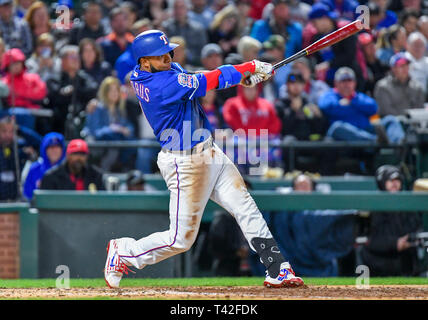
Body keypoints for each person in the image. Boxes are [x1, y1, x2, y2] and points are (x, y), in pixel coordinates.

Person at [104, 29, 304, 289]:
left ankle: (278, 268)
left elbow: (205, 82)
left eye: (168, 53)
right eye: (160, 56)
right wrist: (250, 66)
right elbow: (208, 79)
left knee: (245, 206)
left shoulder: (163, 71)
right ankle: (124, 252)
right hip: (184, 163)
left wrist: (244, 79)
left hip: (208, 151)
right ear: (144, 61)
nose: (167, 58)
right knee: (180, 240)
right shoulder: (160, 86)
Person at [361, 165, 424, 276]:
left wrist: (411, 240)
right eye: (390, 180)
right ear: (382, 182)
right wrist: (395, 243)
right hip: (378, 267)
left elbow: (416, 229)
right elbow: (369, 241)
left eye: (397, 180)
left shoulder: (408, 205)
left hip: (405, 265)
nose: (394, 183)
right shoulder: (373, 206)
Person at [319, 67, 405, 144]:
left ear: (354, 83)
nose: (346, 84)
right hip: (345, 134)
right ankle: (376, 141)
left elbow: (373, 107)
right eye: (343, 81)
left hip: (365, 129)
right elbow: (326, 107)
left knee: (390, 120)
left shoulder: (358, 97)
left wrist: (351, 103)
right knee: (337, 127)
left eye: (349, 80)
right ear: (336, 83)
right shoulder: (330, 95)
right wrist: (356, 108)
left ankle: (397, 146)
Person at [83, 76, 135, 172]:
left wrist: (125, 130)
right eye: (111, 90)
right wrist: (114, 129)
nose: (115, 93)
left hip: (115, 142)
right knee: (114, 149)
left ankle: (127, 173)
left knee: (132, 145)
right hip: (97, 144)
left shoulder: (119, 110)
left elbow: (129, 127)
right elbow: (95, 132)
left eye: (117, 90)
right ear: (105, 92)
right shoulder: (97, 108)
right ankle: (103, 174)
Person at [44, 45, 98, 137]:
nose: (76, 60)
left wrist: (74, 91)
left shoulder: (85, 79)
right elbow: (55, 97)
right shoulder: (54, 79)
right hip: (59, 124)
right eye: (72, 57)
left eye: (78, 57)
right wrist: (66, 92)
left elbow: (92, 90)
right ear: (63, 60)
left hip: (82, 122)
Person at [275, 71, 329, 142]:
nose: (296, 86)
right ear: (287, 85)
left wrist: (318, 117)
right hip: (292, 143)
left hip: (308, 141)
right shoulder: (281, 105)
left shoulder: (307, 103)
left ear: (303, 85)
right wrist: (293, 111)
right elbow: (282, 130)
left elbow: (319, 129)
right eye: (293, 83)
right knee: (289, 140)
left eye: (299, 83)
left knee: (326, 140)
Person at [40, 139, 105, 192]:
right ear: (68, 155)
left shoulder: (95, 175)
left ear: (87, 157)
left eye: (82, 154)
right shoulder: (51, 176)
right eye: (75, 154)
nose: (79, 158)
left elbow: (103, 200)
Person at [374, 52, 425, 117]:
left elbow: (420, 109)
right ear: (393, 68)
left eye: (407, 65)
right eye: (401, 66)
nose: (405, 68)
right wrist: (406, 118)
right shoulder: (383, 87)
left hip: (414, 122)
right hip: (393, 123)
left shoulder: (417, 86)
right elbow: (386, 111)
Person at [161, 0, 208, 67]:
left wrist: (186, 55)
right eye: (176, 7)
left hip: (194, 66)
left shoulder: (198, 29)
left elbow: (203, 52)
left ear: (188, 9)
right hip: (171, 66)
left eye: (181, 7)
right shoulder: (166, 28)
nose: (178, 10)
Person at [23, 132, 66, 201]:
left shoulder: (68, 169)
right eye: (51, 147)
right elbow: (27, 194)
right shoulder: (35, 169)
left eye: (57, 147)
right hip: (38, 208)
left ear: (62, 149)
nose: (54, 150)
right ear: (44, 149)